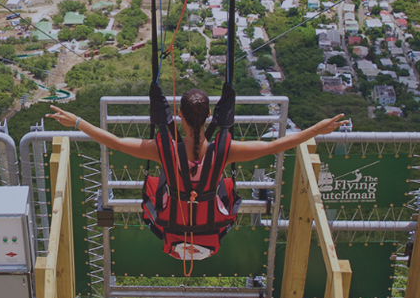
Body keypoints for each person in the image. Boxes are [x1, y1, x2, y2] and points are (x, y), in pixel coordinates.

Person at [47, 88, 345, 261]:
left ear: (179, 115)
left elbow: (114, 142)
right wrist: (316, 129)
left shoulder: (163, 150)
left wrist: (78, 122)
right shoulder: (224, 151)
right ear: (209, 116)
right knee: (222, 185)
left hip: (169, 228)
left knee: (160, 184)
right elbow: (274, 146)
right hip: (212, 230)